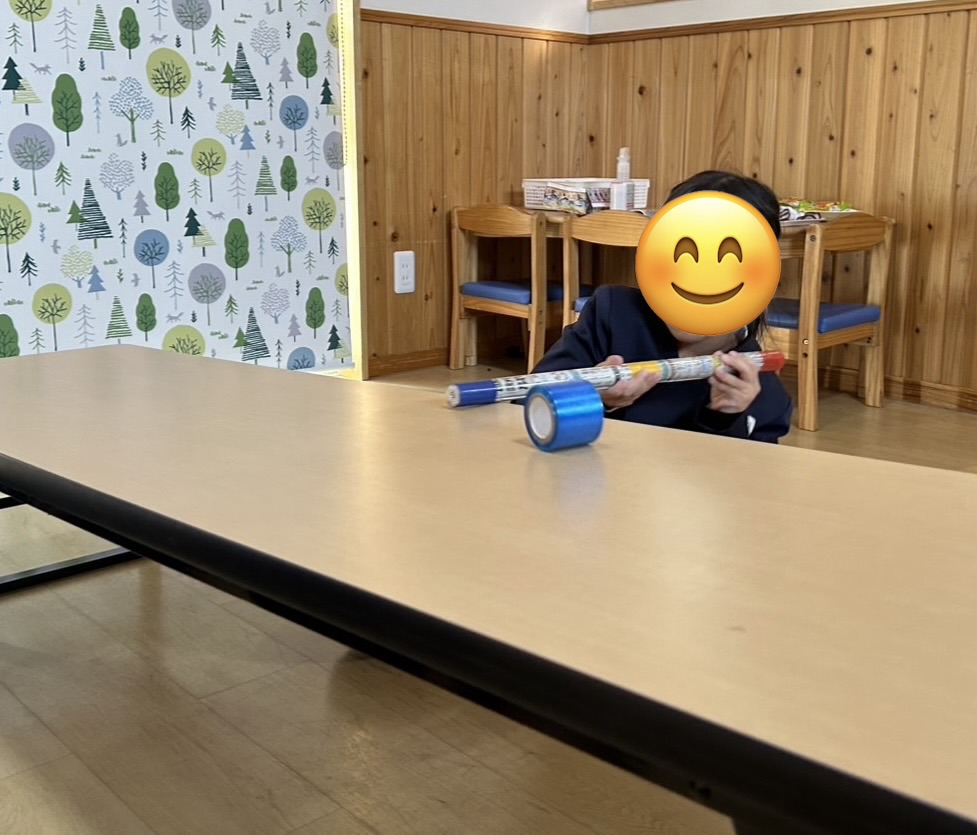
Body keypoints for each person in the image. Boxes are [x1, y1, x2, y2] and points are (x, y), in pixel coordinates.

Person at [532, 170, 794, 444]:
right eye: (682, 253)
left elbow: (749, 468)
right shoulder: (611, 314)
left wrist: (723, 418)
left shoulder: (765, 395)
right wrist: (595, 398)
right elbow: (527, 400)